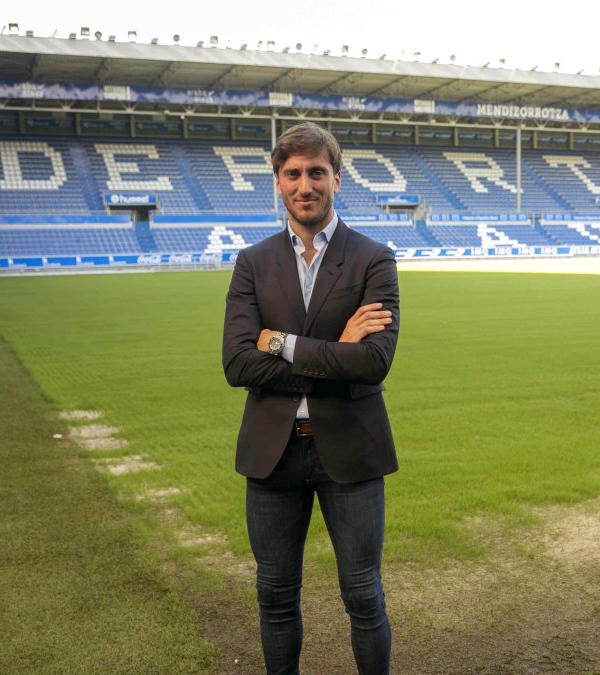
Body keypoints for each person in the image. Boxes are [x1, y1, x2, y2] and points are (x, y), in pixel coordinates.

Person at [222, 121, 400, 675]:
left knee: (363, 595)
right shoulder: (252, 263)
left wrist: (281, 344)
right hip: (274, 453)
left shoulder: (373, 258)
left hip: (350, 448)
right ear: (277, 183)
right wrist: (332, 352)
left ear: (337, 179)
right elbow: (236, 364)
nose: (306, 185)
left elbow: (373, 361)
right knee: (275, 595)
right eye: (293, 174)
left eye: (316, 172)